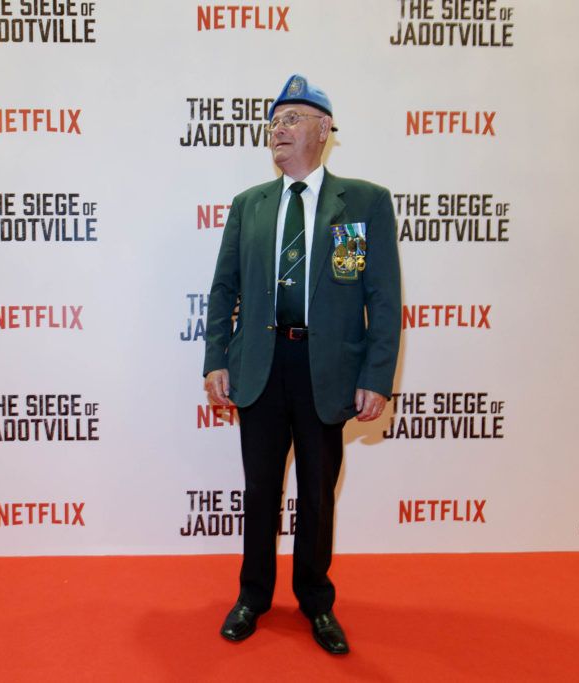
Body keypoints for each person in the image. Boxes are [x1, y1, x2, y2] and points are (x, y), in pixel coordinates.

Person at [203, 74, 401, 655]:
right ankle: (252, 597)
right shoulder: (250, 206)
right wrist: (216, 356)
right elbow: (223, 290)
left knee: (317, 494)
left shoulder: (362, 203)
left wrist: (375, 376)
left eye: (292, 118)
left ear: (323, 130)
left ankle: (316, 602)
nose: (278, 129)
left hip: (327, 371)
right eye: (274, 120)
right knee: (260, 489)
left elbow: (382, 299)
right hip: (260, 366)